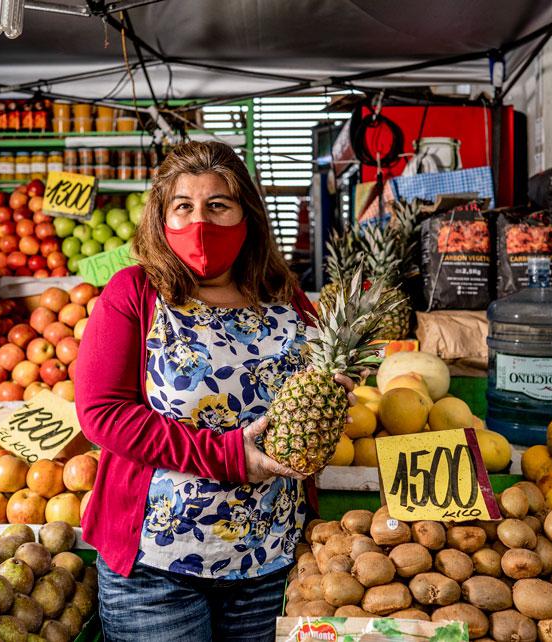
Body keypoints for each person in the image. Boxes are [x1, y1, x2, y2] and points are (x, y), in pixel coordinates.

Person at [75, 141, 357, 642]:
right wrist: (228, 456)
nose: (199, 222)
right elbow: (103, 413)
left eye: (218, 205)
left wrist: (333, 396)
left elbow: (317, 381)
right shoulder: (134, 291)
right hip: (156, 568)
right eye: (183, 206)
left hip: (271, 557)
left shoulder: (284, 294)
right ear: (161, 217)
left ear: (247, 215)